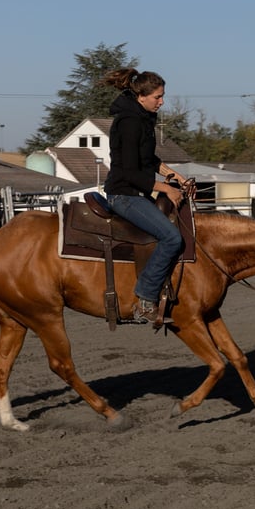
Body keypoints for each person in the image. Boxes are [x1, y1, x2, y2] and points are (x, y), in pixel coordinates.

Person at [101, 68, 189, 327]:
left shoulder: (142, 118)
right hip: (124, 195)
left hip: (136, 192)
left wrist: (174, 175)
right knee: (172, 238)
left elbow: (149, 160)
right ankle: (145, 300)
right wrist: (166, 188)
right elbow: (129, 172)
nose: (161, 101)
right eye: (157, 97)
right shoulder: (129, 122)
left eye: (163, 96)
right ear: (141, 96)